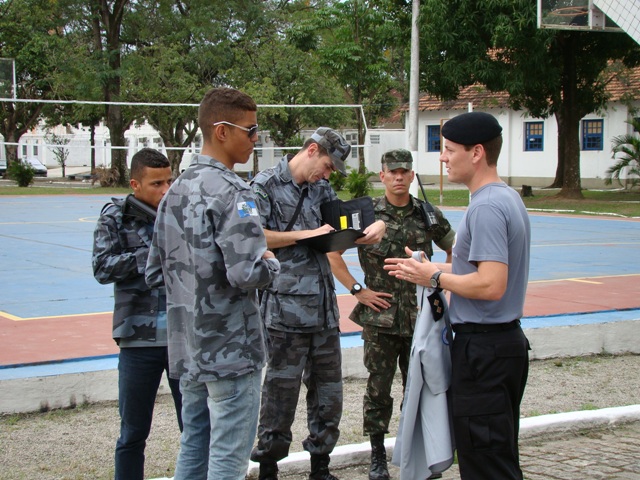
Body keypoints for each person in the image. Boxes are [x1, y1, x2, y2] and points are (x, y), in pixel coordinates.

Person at [385, 111, 531, 480]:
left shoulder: (485, 207)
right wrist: (425, 272)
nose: (443, 157)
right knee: (495, 453)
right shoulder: (506, 197)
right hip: (500, 347)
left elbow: (490, 284)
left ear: (477, 152)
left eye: (449, 149)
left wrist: (434, 274)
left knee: (486, 462)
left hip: (484, 352)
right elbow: (477, 272)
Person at [145, 87, 280, 480]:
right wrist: (271, 265)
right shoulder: (235, 192)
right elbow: (245, 273)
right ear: (221, 130)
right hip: (231, 351)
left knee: (194, 445)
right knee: (227, 457)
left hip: (189, 347)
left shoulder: (176, 191)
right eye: (251, 130)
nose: (255, 140)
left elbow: (156, 272)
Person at [249, 127, 386, 480]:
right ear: (311, 150)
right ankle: (268, 468)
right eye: (326, 165)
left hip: (324, 308)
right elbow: (252, 236)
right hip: (284, 312)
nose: (328, 175)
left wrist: (366, 232)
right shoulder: (263, 186)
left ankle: (320, 466)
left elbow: (334, 234)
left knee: (329, 392)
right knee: (280, 392)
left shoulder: (321, 188)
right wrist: (303, 235)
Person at [329, 149, 454, 480]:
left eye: (405, 171)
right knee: (378, 391)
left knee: (421, 388)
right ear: (381, 176)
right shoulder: (363, 215)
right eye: (392, 172)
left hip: (421, 322)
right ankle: (377, 456)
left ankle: (421, 452)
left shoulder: (429, 215)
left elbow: (458, 250)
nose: (399, 177)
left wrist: (445, 282)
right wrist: (359, 291)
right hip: (380, 321)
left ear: (412, 176)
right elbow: (332, 253)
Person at [92, 147, 183, 480]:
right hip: (137, 340)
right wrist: (152, 255)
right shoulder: (116, 216)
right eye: (157, 184)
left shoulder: (178, 214)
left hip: (182, 337)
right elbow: (102, 267)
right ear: (135, 184)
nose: (165, 191)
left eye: (169, 182)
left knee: (195, 427)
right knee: (132, 433)